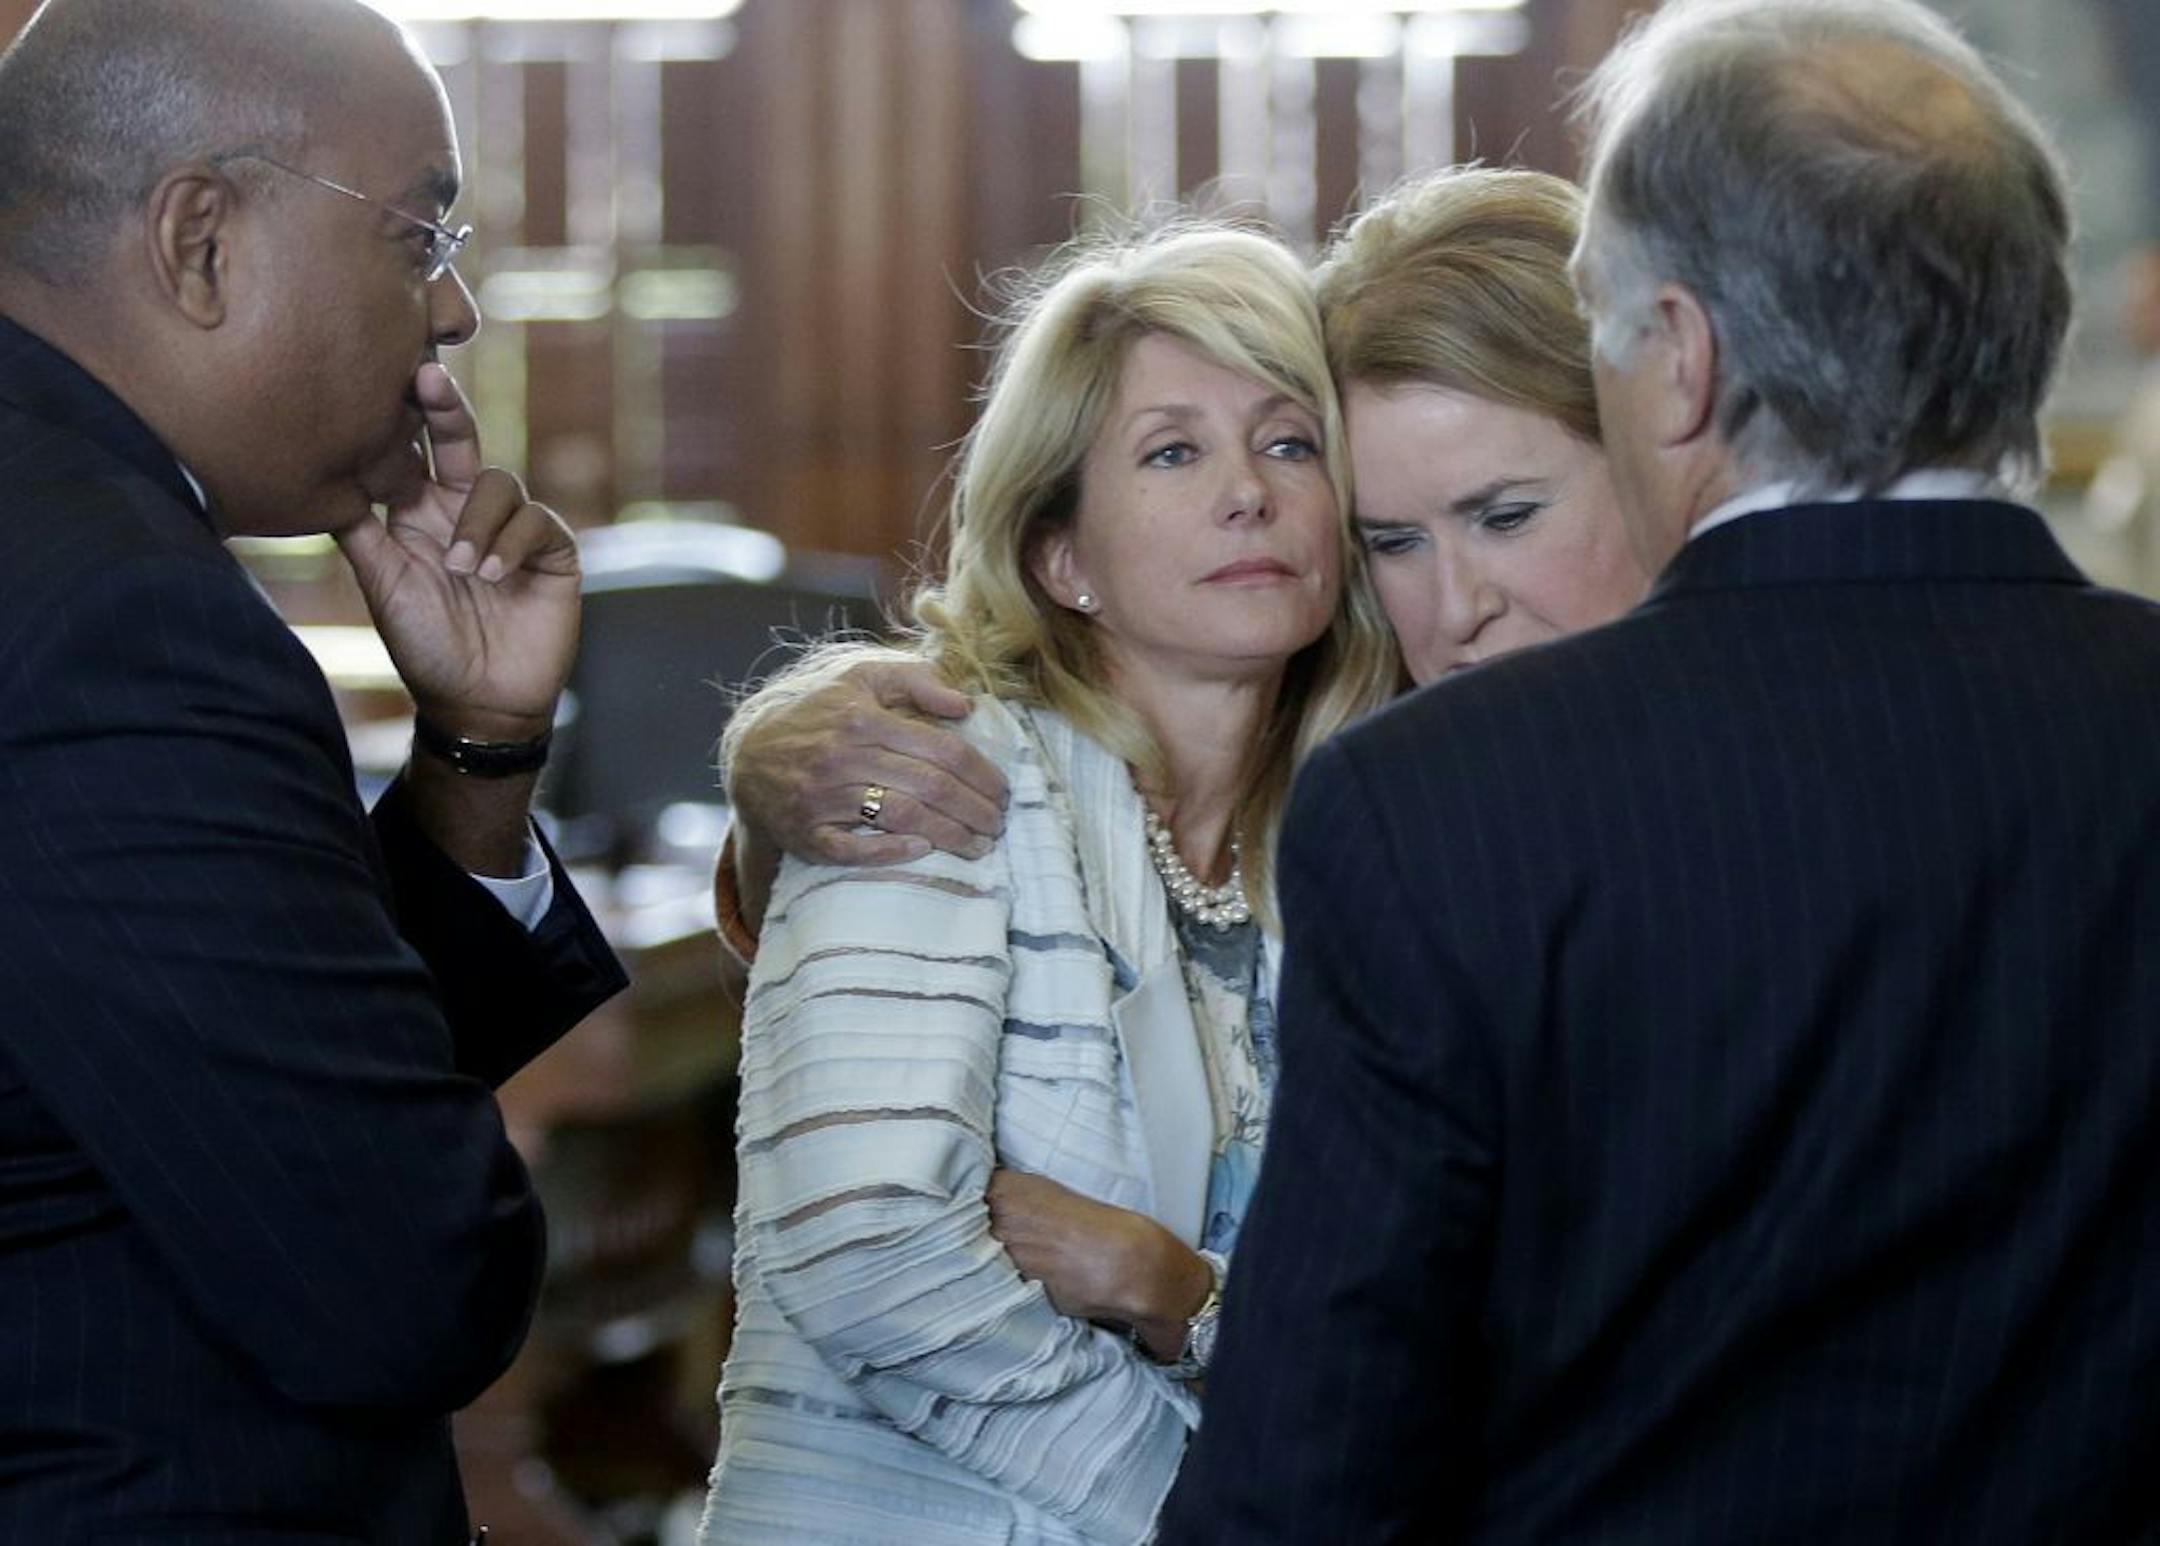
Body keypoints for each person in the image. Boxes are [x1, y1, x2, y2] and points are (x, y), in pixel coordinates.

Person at [1158, 0, 2160, 1539]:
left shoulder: (1441, 808)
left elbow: (1310, 1482)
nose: (1450, 599)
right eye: (1395, 543)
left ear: (1678, 358)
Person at [0, 2, 626, 1541]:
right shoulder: (119, 618)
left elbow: (229, 1090)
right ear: (200, 242)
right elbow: (399, 1282)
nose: (456, 310)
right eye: (421, 237)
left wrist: (478, 753)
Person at [697, 223, 1396, 1544]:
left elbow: (1374, 1308)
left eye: (1289, 441)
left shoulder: (1342, 853)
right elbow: (866, 1251)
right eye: (1172, 450)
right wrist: (1202, 1501)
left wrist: (1175, 1284)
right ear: (1062, 557)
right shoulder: (933, 768)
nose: (1248, 491)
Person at [713, 164, 1649, 926]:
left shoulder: (1761, 736)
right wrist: (769, 804)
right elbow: (854, 893)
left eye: (1507, 517)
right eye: (1394, 539)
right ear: (1059, 556)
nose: (1457, 609)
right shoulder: (1380, 752)